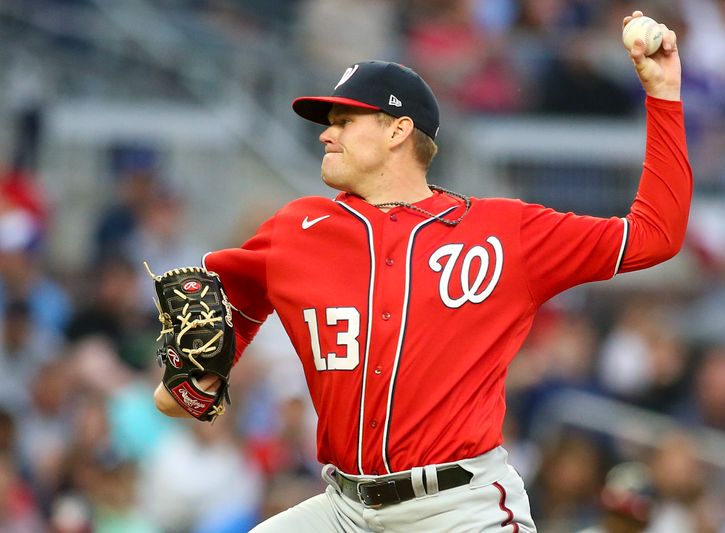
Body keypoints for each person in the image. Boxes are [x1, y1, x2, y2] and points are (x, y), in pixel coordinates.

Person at [153, 10, 691, 532]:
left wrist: (663, 97)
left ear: (398, 131)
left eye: (344, 120)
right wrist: (193, 381)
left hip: (458, 507)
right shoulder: (297, 230)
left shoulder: (504, 232)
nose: (325, 133)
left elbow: (654, 236)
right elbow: (216, 336)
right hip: (343, 509)